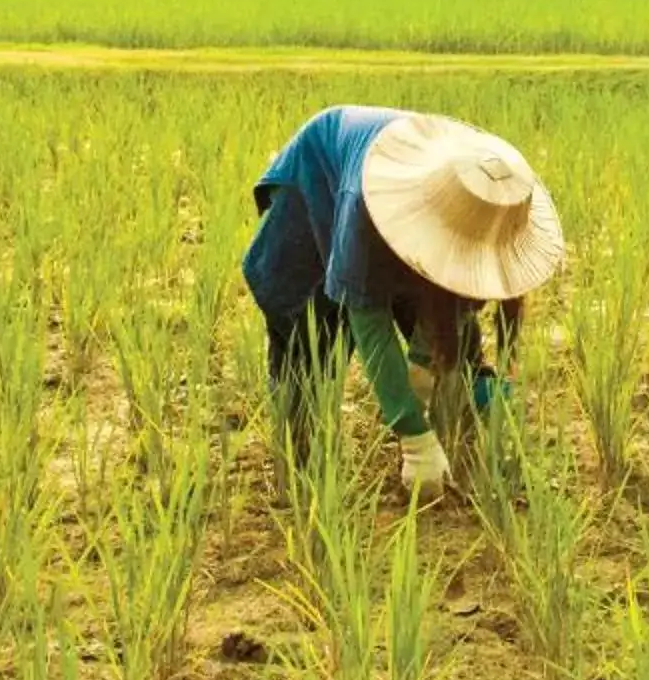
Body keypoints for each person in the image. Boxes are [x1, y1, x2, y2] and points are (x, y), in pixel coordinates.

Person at [241, 107, 564, 494]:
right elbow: (368, 320)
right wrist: (413, 438)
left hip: (422, 201)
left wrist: (423, 366)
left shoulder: (483, 201)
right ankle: (301, 473)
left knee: (453, 347)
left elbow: (457, 304)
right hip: (317, 184)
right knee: (310, 340)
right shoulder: (365, 203)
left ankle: (468, 437)